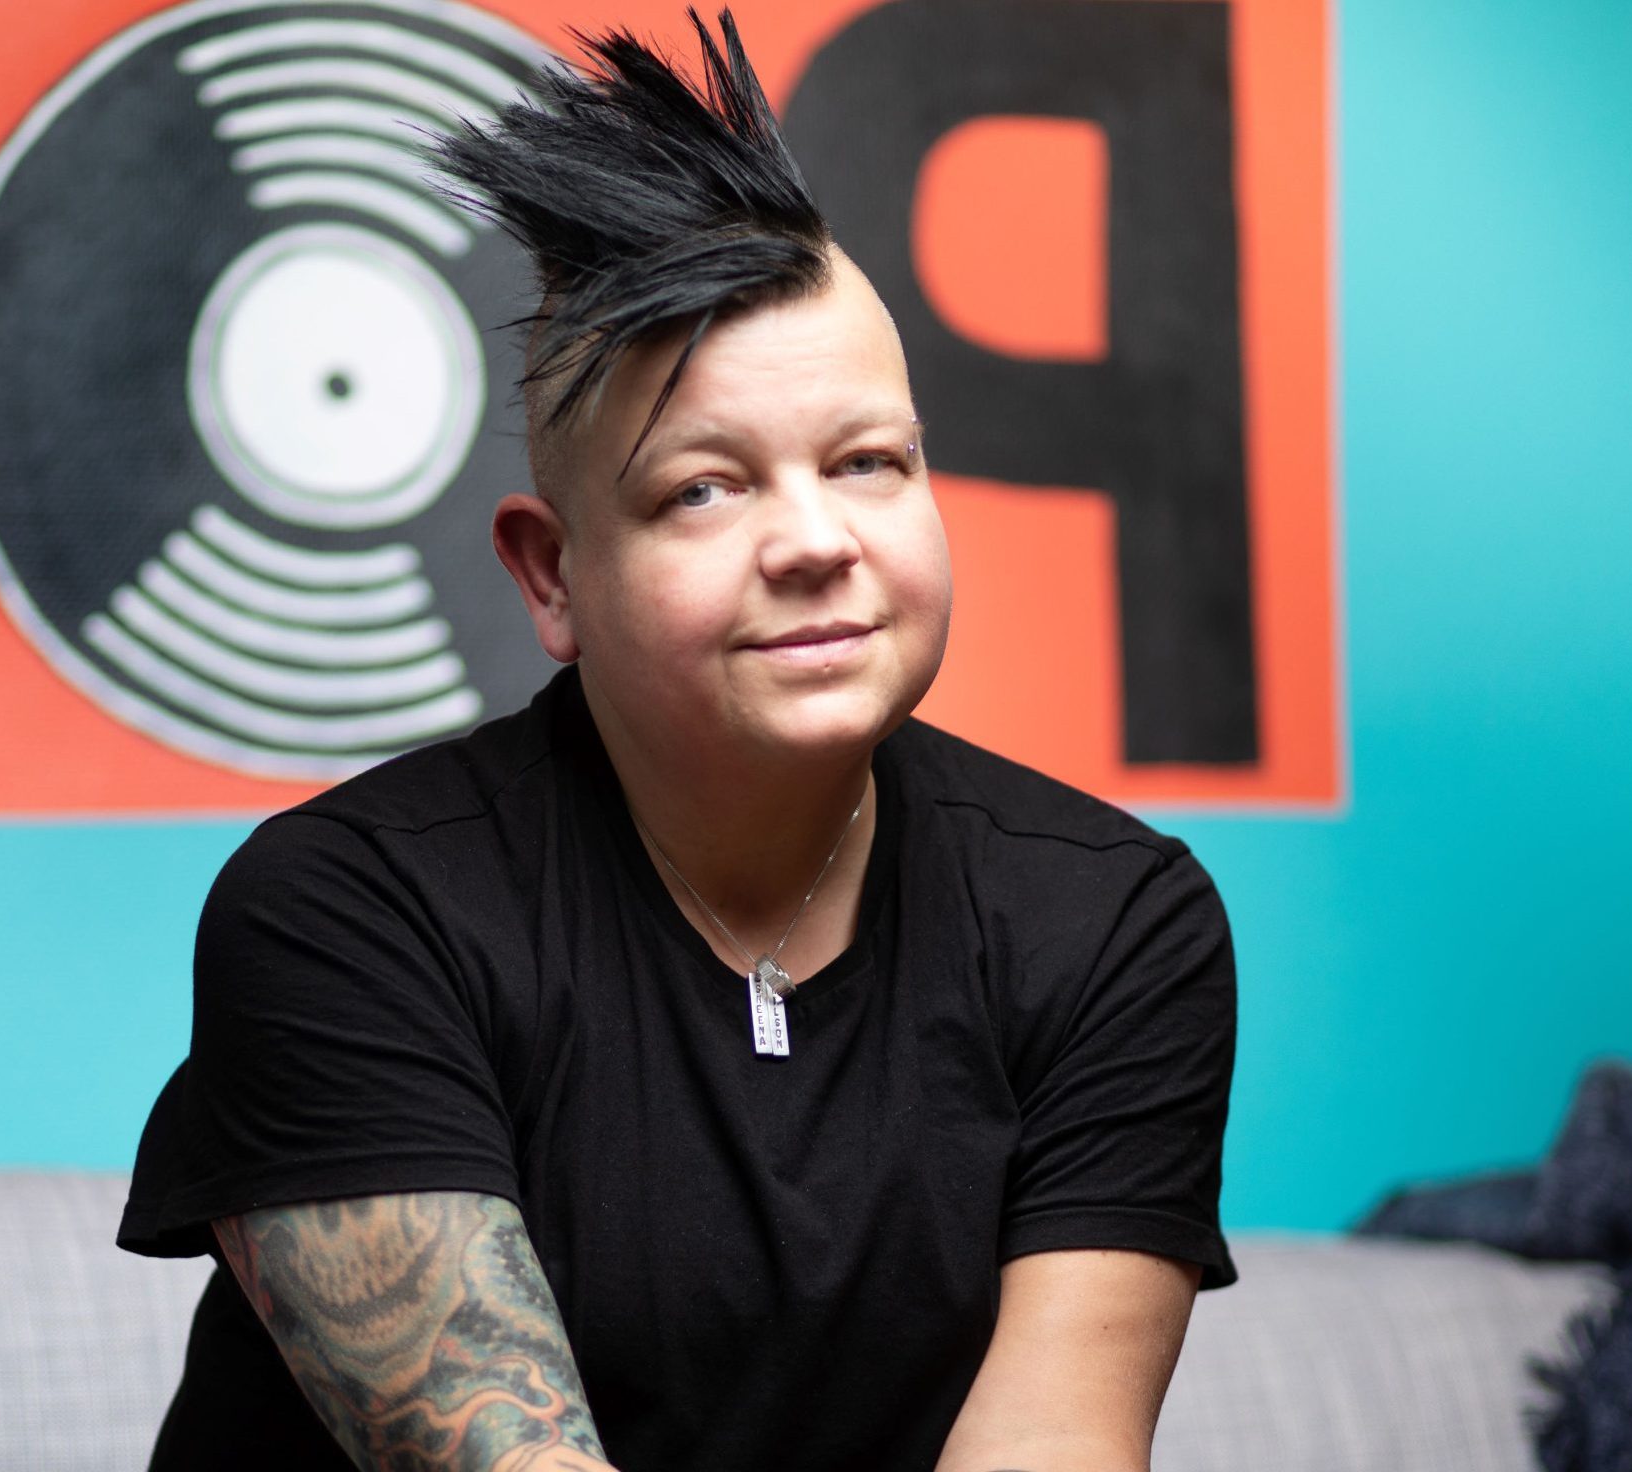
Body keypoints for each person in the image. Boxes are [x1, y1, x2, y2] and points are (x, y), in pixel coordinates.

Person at [116, 11, 1239, 1469]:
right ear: (552, 576)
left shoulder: (1112, 923)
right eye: (704, 489)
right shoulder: (348, 916)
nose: (817, 541)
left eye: (870, 462)